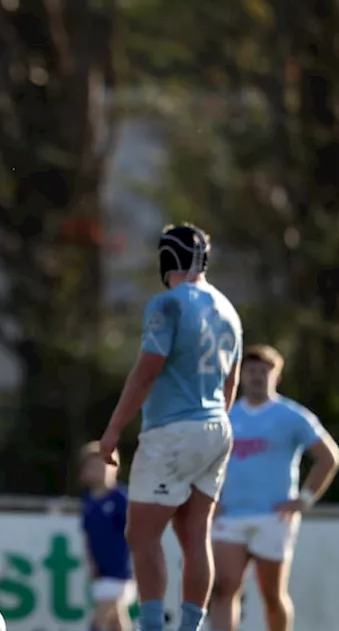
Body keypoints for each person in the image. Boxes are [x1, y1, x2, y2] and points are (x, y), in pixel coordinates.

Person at [97, 223, 242, 631]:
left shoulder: (168, 304)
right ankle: (190, 627)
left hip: (173, 431)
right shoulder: (229, 309)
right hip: (217, 426)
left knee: (141, 535)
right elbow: (230, 382)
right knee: (195, 533)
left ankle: (152, 627)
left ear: (167, 258)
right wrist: (212, 428)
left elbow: (146, 373)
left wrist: (112, 432)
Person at [208, 345, 339, 631]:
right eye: (251, 371)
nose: (257, 377)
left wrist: (304, 499)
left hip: (273, 517)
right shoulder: (225, 415)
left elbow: (329, 458)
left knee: (271, 594)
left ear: (276, 376)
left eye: (264, 371)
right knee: (223, 589)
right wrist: (210, 498)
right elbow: (204, 460)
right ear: (241, 375)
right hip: (230, 515)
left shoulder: (292, 416)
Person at [78, 442, 134, 631]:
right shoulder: (88, 502)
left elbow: (135, 534)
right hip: (101, 572)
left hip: (120, 571)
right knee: (116, 622)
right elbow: (88, 536)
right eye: (93, 466)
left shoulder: (121, 500)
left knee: (98, 621)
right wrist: (91, 563)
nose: (99, 470)